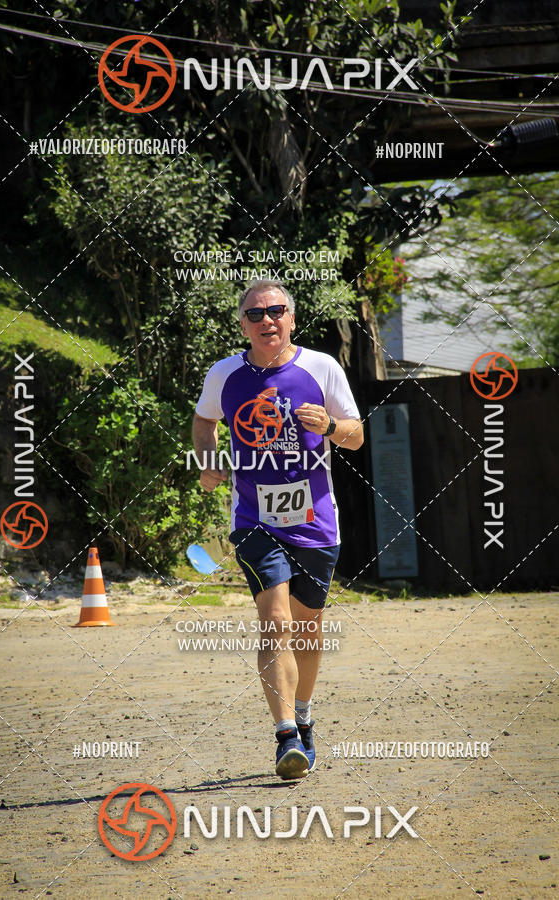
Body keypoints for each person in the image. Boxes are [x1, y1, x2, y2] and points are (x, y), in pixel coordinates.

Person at [193, 279, 364, 780]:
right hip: (254, 520)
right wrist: (208, 461)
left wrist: (328, 427)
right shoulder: (224, 374)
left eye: (276, 311)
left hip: (316, 523)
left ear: (291, 318)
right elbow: (204, 422)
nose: (266, 320)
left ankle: (304, 717)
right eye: (255, 314)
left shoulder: (322, 368)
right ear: (243, 325)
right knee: (275, 621)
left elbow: (355, 435)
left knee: (307, 630)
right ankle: (286, 735)